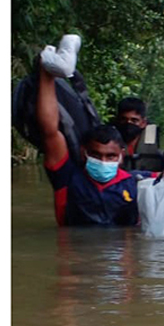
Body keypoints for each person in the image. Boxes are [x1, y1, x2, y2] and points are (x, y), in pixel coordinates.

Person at [37, 35, 141, 227]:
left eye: (110, 156)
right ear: (84, 152)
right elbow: (50, 131)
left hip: (118, 255)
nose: (103, 162)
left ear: (121, 155)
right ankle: (52, 62)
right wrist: (46, 77)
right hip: (74, 256)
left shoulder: (135, 183)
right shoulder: (66, 177)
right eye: (96, 154)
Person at [114, 97, 164, 172]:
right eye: (124, 119)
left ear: (143, 123)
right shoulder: (109, 141)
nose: (128, 123)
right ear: (118, 120)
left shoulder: (153, 145)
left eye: (134, 120)